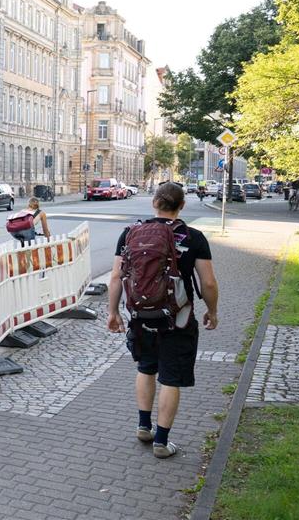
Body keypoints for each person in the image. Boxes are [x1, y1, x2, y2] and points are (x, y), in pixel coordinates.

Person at [106, 182, 219, 458]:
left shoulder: (130, 233)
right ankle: (162, 442)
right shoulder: (193, 237)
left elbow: (115, 278)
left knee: (146, 368)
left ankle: (144, 426)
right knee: (171, 378)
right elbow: (208, 283)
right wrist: (212, 311)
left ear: (154, 203)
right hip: (178, 318)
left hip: (141, 316)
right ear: (182, 206)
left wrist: (113, 313)